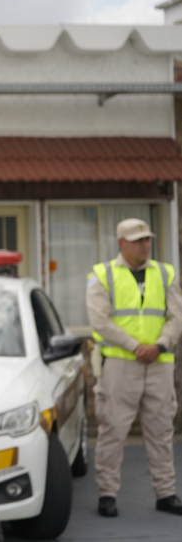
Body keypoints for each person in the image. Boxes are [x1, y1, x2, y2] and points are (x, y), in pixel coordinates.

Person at [88, 218, 182, 517]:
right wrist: (135, 346)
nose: (145, 244)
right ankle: (107, 494)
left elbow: (176, 316)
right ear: (121, 243)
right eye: (137, 239)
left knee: (161, 430)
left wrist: (161, 344)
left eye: (147, 239)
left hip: (160, 363)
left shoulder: (166, 273)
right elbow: (99, 320)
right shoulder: (102, 275)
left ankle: (166, 493)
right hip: (120, 364)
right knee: (113, 430)